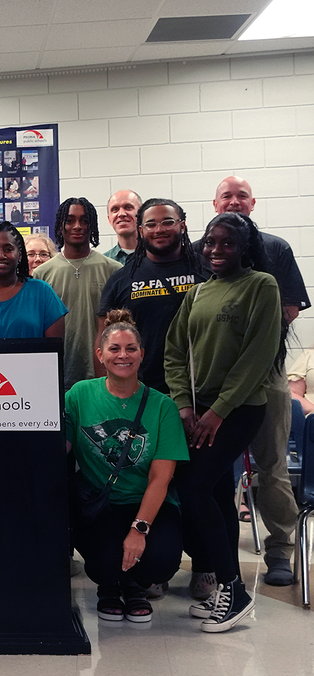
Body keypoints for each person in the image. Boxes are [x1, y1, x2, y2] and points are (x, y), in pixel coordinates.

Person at [165, 212, 284, 632]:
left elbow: (258, 357)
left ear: (244, 247)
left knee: (193, 488)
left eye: (227, 243)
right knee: (213, 495)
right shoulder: (197, 293)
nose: (216, 251)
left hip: (238, 410)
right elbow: (174, 352)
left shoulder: (261, 286)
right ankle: (226, 589)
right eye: (210, 242)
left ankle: (233, 588)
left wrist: (219, 411)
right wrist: (184, 406)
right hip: (197, 411)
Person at [200, 175, 309, 588]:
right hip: (214, 373)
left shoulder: (276, 249)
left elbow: (290, 308)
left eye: (241, 196)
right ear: (214, 203)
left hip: (267, 371)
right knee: (213, 468)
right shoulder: (203, 249)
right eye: (226, 196)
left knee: (273, 465)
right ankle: (218, 554)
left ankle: (281, 547)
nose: (234, 201)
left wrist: (248, 341)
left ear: (253, 203)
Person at [66, 310, 187, 622]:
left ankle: (136, 584)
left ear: (142, 354)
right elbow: (61, 446)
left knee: (160, 561)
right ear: (100, 355)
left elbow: (161, 478)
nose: (123, 355)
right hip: (100, 504)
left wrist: (139, 529)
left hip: (148, 502)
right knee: (104, 562)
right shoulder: (79, 395)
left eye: (131, 348)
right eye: (115, 349)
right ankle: (110, 584)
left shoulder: (163, 406)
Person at [98, 199, 205, 393]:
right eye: (151, 224)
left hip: (202, 388)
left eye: (167, 222)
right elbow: (104, 337)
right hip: (144, 390)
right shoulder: (122, 278)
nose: (159, 229)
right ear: (140, 231)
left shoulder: (206, 271)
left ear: (182, 225)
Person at [34, 198, 122, 390]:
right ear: (60, 225)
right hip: (57, 373)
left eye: (84, 220)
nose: (77, 226)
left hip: (102, 375)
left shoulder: (113, 270)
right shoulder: (41, 274)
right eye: (70, 220)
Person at [103, 190, 142, 264]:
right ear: (109, 219)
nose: (121, 214)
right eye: (115, 209)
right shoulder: (104, 263)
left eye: (128, 207)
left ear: (142, 214)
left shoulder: (159, 256)